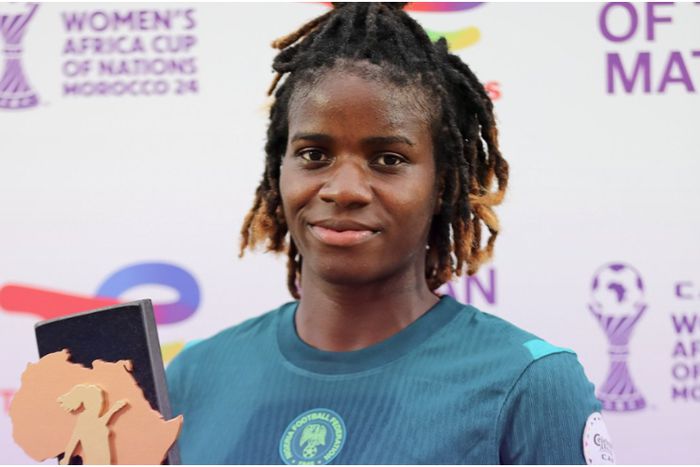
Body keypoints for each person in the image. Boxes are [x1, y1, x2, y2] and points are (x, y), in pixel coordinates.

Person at [167, 3, 610, 464]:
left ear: (442, 185)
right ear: (279, 169)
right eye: (314, 154)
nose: (343, 190)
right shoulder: (194, 377)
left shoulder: (529, 386)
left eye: (388, 160)